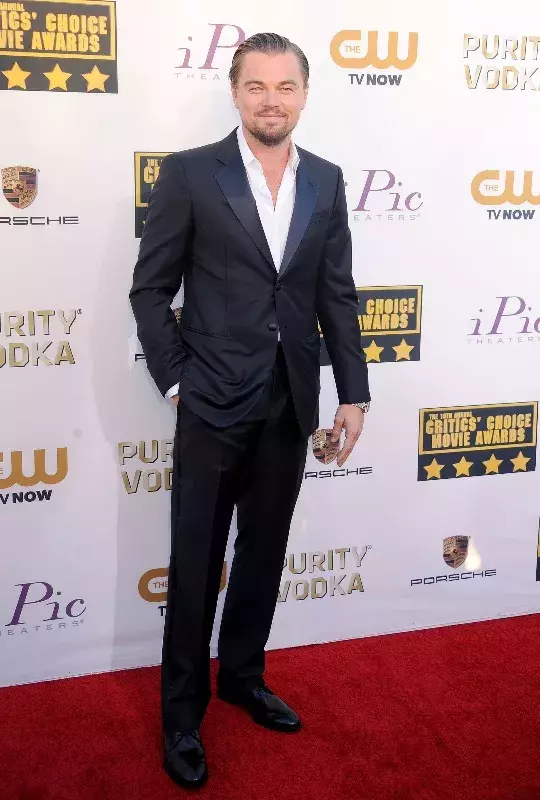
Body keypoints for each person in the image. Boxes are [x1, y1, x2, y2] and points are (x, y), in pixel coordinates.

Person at [129, 32, 371, 790]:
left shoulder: (326, 180)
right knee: (196, 563)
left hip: (289, 399)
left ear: (305, 95)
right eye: (257, 86)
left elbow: (335, 293)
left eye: (286, 86)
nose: (272, 100)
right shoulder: (190, 173)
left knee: (264, 553)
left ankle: (241, 676)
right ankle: (181, 717)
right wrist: (177, 383)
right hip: (209, 402)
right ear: (235, 92)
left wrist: (353, 393)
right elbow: (150, 289)